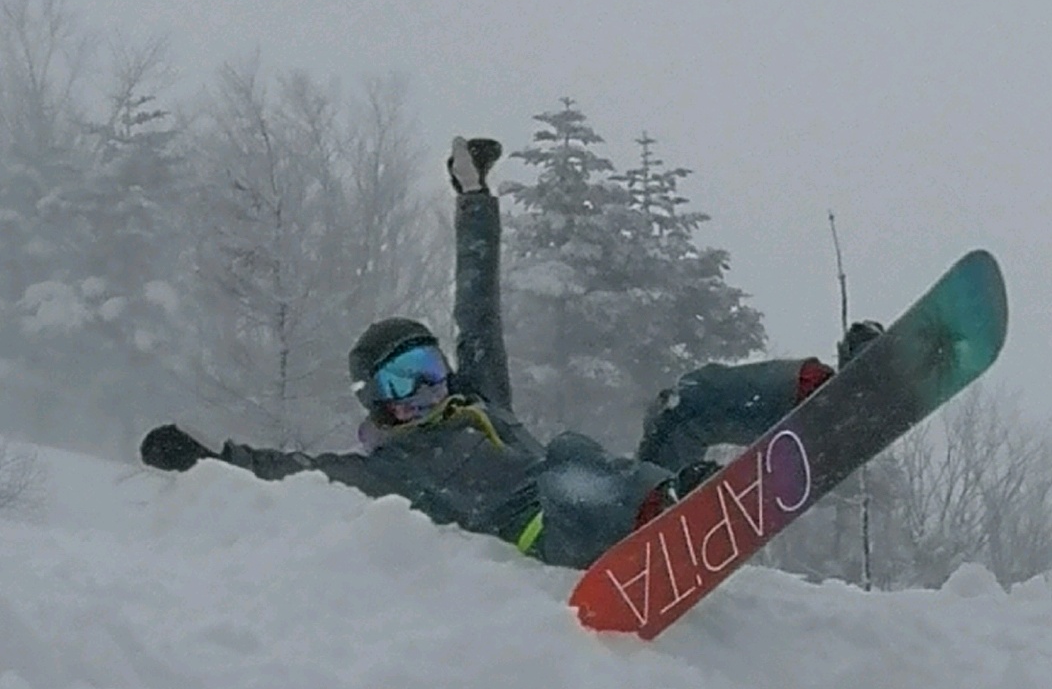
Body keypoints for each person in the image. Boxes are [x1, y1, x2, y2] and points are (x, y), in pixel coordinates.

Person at [139, 137, 879, 569]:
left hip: (625, 499)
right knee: (567, 462)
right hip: (549, 533)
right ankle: (670, 506)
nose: (429, 389)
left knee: (685, 397)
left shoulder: (480, 402)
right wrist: (205, 455)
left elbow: (478, 309)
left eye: (431, 369)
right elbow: (291, 471)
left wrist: (474, 194)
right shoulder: (386, 470)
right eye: (406, 380)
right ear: (378, 400)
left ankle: (827, 388)